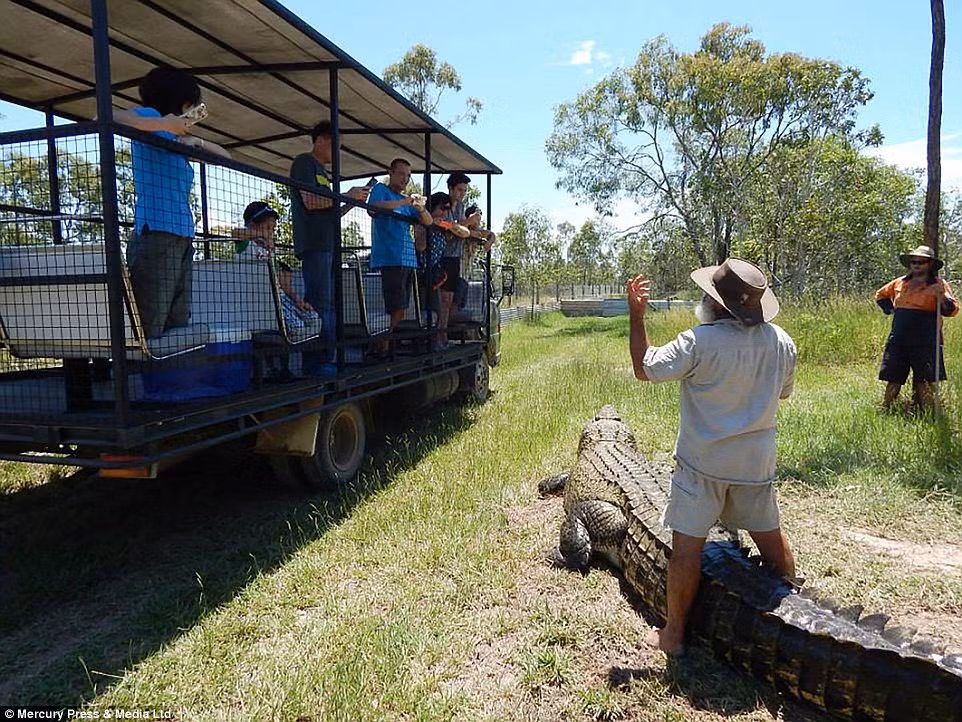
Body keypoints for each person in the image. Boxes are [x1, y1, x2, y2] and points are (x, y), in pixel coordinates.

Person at [626, 258, 797, 657]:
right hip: (756, 463)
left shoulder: (699, 341)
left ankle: (673, 636)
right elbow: (783, 394)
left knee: (687, 549)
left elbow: (643, 368)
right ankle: (793, 611)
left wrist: (637, 316)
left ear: (716, 302)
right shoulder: (782, 341)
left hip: (702, 465)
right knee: (770, 538)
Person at [113, 67, 230, 339]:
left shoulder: (175, 139)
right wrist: (165, 123)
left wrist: (193, 139)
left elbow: (226, 157)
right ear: (182, 102)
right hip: (156, 233)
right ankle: (143, 378)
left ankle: (172, 379)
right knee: (151, 318)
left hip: (182, 236)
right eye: (189, 106)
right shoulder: (152, 118)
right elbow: (106, 117)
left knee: (178, 317)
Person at [289, 120, 370, 375]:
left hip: (329, 245)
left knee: (332, 304)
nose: (338, 152)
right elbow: (311, 202)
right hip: (314, 245)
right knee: (320, 304)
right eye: (336, 145)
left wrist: (351, 203)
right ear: (321, 140)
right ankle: (315, 364)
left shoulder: (324, 173)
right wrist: (346, 194)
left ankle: (329, 358)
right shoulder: (304, 163)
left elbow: (331, 210)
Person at [874, 245, 958, 410]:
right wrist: (891, 310)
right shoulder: (899, 282)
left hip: (926, 339)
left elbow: (952, 310)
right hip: (899, 338)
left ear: (929, 264)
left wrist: (940, 295)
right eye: (913, 262)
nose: (916, 265)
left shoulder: (939, 284)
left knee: (925, 380)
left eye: (921, 262)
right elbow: (880, 295)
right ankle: (886, 410)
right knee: (894, 377)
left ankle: (928, 414)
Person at [368, 158, 434, 352]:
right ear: (391, 172)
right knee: (395, 307)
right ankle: (381, 343)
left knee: (401, 308)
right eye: (401, 174)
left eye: (408, 175)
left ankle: (383, 341)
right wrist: (405, 201)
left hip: (408, 260)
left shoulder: (407, 203)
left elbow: (429, 222)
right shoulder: (381, 190)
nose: (405, 179)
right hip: (390, 258)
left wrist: (420, 207)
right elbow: (374, 207)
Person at [414, 192, 470, 349]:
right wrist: (430, 226)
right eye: (442, 208)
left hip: (437, 275)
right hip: (423, 274)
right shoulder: (422, 224)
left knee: (440, 310)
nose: (445, 212)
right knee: (431, 310)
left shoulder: (444, 226)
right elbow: (420, 246)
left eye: (448, 209)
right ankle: (430, 343)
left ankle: (440, 340)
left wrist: (451, 226)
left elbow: (465, 233)